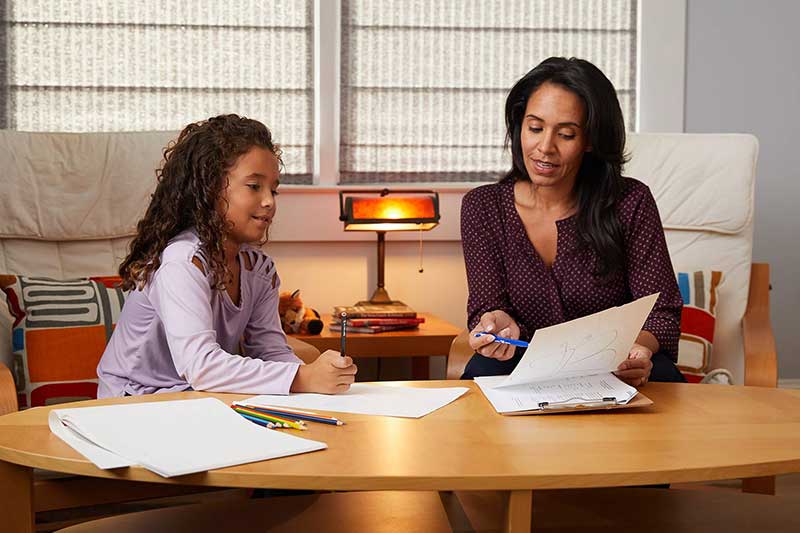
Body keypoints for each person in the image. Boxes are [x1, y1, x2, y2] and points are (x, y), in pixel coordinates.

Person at [460, 57, 685, 385]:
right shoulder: (483, 207)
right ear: (519, 125)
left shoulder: (630, 202)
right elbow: (488, 306)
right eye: (535, 128)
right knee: (475, 391)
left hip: (618, 364)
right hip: (521, 363)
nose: (544, 147)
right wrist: (494, 325)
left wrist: (640, 350)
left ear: (590, 140)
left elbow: (662, 313)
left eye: (565, 134)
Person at [97, 114, 357, 397]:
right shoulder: (181, 262)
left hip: (195, 399)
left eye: (274, 189)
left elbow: (269, 349)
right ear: (209, 188)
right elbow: (201, 366)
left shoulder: (259, 270)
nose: (269, 201)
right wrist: (301, 378)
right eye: (254, 186)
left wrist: (317, 378)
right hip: (133, 403)